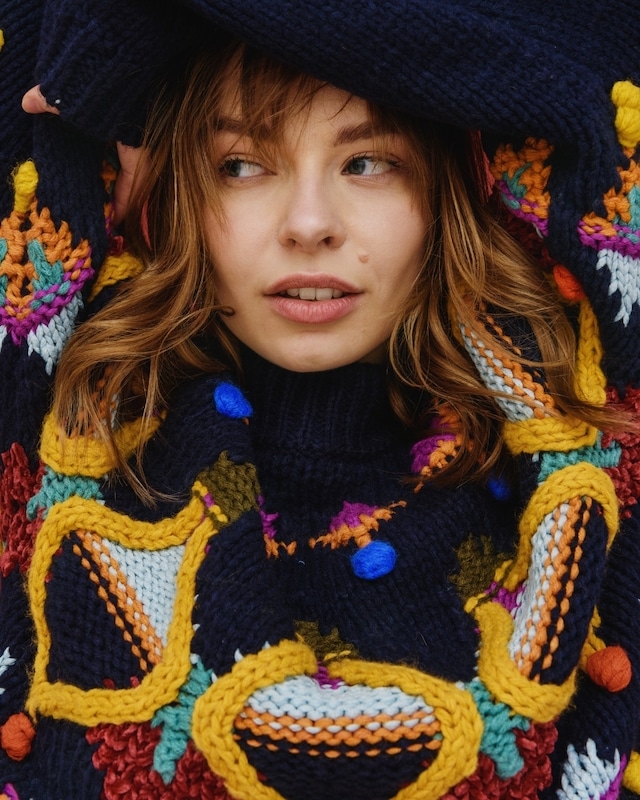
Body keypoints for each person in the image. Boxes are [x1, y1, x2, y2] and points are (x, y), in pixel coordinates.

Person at [0, 2, 639, 799]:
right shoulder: (57, 419)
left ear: (455, 186)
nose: (310, 225)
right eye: (241, 165)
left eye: (368, 162)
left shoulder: (593, 445)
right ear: (172, 187)